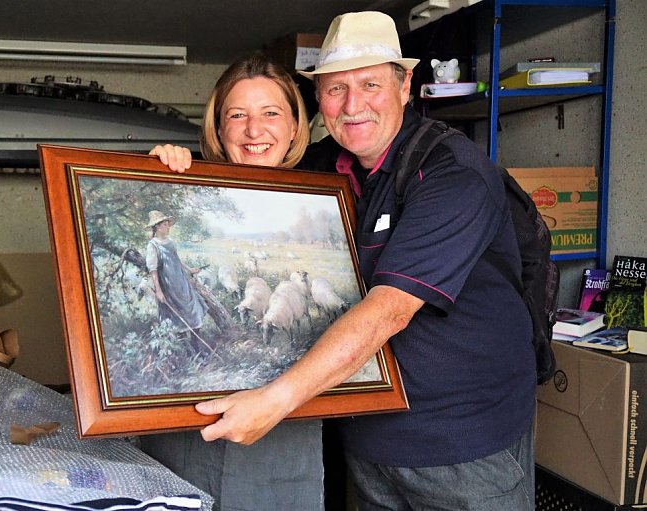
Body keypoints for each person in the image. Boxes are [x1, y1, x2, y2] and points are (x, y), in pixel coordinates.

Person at [193, 11, 537, 511]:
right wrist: (172, 168)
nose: (353, 105)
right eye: (336, 89)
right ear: (319, 99)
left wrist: (274, 401)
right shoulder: (323, 170)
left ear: (405, 86)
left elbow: (390, 310)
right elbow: (254, 163)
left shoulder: (454, 174)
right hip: (368, 437)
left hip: (463, 445)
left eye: (370, 84)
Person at [141, 52, 324, 511]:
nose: (254, 130)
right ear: (218, 130)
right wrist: (152, 175)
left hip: (287, 437)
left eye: (271, 113)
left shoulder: (326, 200)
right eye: (237, 115)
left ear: (295, 127)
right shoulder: (182, 186)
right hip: (187, 435)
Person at [144, 209, 208, 352]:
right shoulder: (153, 245)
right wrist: (159, 291)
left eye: (168, 224)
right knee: (177, 316)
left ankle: (197, 349)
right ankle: (187, 352)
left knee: (193, 310)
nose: (168, 227)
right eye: (165, 224)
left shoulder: (170, 242)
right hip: (169, 286)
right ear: (157, 227)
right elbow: (153, 270)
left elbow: (176, 259)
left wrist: (189, 269)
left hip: (182, 282)